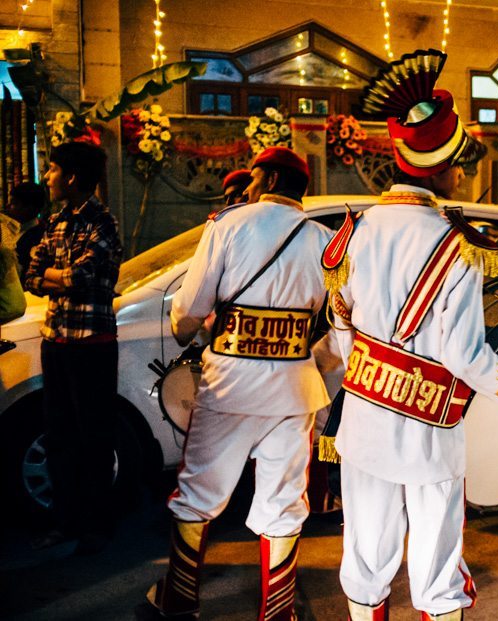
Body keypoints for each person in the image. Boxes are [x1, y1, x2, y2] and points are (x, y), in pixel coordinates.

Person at [324, 48, 498, 621]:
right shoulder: (457, 244)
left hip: (365, 420)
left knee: (366, 556)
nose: (463, 172)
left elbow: (343, 324)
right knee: (437, 567)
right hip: (427, 429)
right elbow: (462, 354)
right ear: (439, 168)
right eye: (461, 162)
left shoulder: (357, 231)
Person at [143, 146, 334, 621]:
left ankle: (180, 600)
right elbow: (342, 320)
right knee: (285, 501)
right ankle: (279, 611)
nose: (246, 188)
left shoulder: (228, 225)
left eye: (252, 178)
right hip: (294, 390)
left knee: (199, 493)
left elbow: (189, 308)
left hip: (230, 382)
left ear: (268, 178)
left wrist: (185, 329)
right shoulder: (327, 240)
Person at [25, 142, 123, 554]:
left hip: (92, 346)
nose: (46, 178)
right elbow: (31, 274)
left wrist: (56, 276)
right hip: (57, 341)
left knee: (94, 437)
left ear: (72, 177)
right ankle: (65, 521)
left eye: (51, 170)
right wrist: (56, 276)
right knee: (60, 434)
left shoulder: (102, 222)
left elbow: (81, 277)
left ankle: (97, 525)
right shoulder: (55, 221)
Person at [5, 182, 46, 282]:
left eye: (14, 203)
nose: (8, 206)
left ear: (29, 208)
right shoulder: (7, 228)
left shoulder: (40, 236)